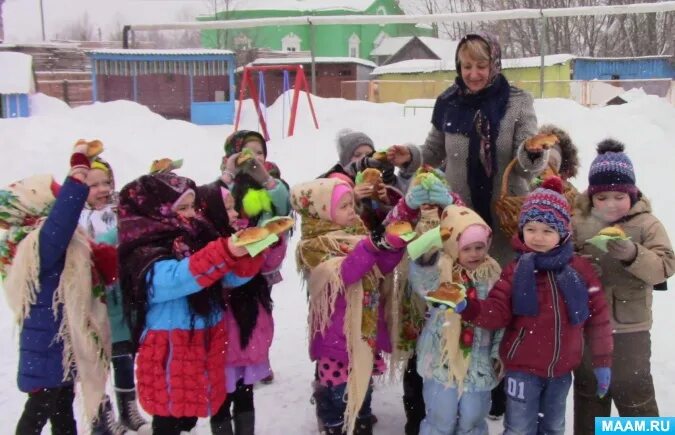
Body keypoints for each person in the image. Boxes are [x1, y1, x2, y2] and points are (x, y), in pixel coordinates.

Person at [455, 177, 613, 435]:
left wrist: (603, 360)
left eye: (547, 231)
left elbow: (599, 318)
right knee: (519, 427)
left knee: (553, 427)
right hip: (522, 369)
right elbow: (496, 313)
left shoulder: (580, 271)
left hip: (561, 370)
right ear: (521, 230)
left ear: (563, 233)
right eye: (531, 229)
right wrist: (467, 307)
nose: (537, 238)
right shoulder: (516, 271)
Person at [117, 173, 264, 435]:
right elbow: (178, 279)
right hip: (170, 348)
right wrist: (225, 251)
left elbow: (225, 277)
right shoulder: (143, 252)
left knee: (187, 415)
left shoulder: (196, 238)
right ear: (157, 212)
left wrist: (252, 252)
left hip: (204, 342)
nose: (193, 214)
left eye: (193, 206)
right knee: (169, 419)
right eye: (182, 208)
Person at [1, 143, 112, 434]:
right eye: (52, 192)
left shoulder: (48, 242)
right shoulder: (34, 245)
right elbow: (62, 221)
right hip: (47, 346)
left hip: (58, 343)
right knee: (39, 411)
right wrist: (78, 171)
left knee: (63, 410)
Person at [571, 140, 675, 434]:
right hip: (588, 326)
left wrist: (633, 254)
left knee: (634, 391)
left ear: (632, 194)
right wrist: (579, 267)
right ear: (592, 197)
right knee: (590, 392)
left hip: (631, 328)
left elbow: (664, 267)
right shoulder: (578, 223)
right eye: (602, 197)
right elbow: (563, 260)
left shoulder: (646, 225)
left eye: (619, 196)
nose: (611, 204)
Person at [292, 178, 409, 435]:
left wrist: (393, 246)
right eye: (344, 206)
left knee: (363, 375)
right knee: (336, 385)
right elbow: (344, 274)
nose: (352, 212)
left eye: (352, 204)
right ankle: (334, 422)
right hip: (336, 331)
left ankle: (361, 415)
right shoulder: (312, 246)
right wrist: (370, 246)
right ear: (322, 210)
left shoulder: (356, 233)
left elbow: (378, 269)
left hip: (364, 322)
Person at [410, 205, 503, 435]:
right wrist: (425, 259)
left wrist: (497, 353)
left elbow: (502, 317)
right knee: (441, 418)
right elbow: (424, 285)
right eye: (466, 248)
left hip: (479, 364)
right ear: (453, 248)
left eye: (479, 247)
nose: (474, 254)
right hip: (441, 361)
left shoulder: (493, 275)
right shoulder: (442, 272)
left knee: (472, 419)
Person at [78, 153, 150, 434]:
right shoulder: (75, 218)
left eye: (106, 182)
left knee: (123, 355)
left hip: (122, 297)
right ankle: (100, 415)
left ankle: (128, 408)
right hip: (93, 299)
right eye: (93, 185)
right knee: (94, 363)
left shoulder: (120, 212)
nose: (103, 190)